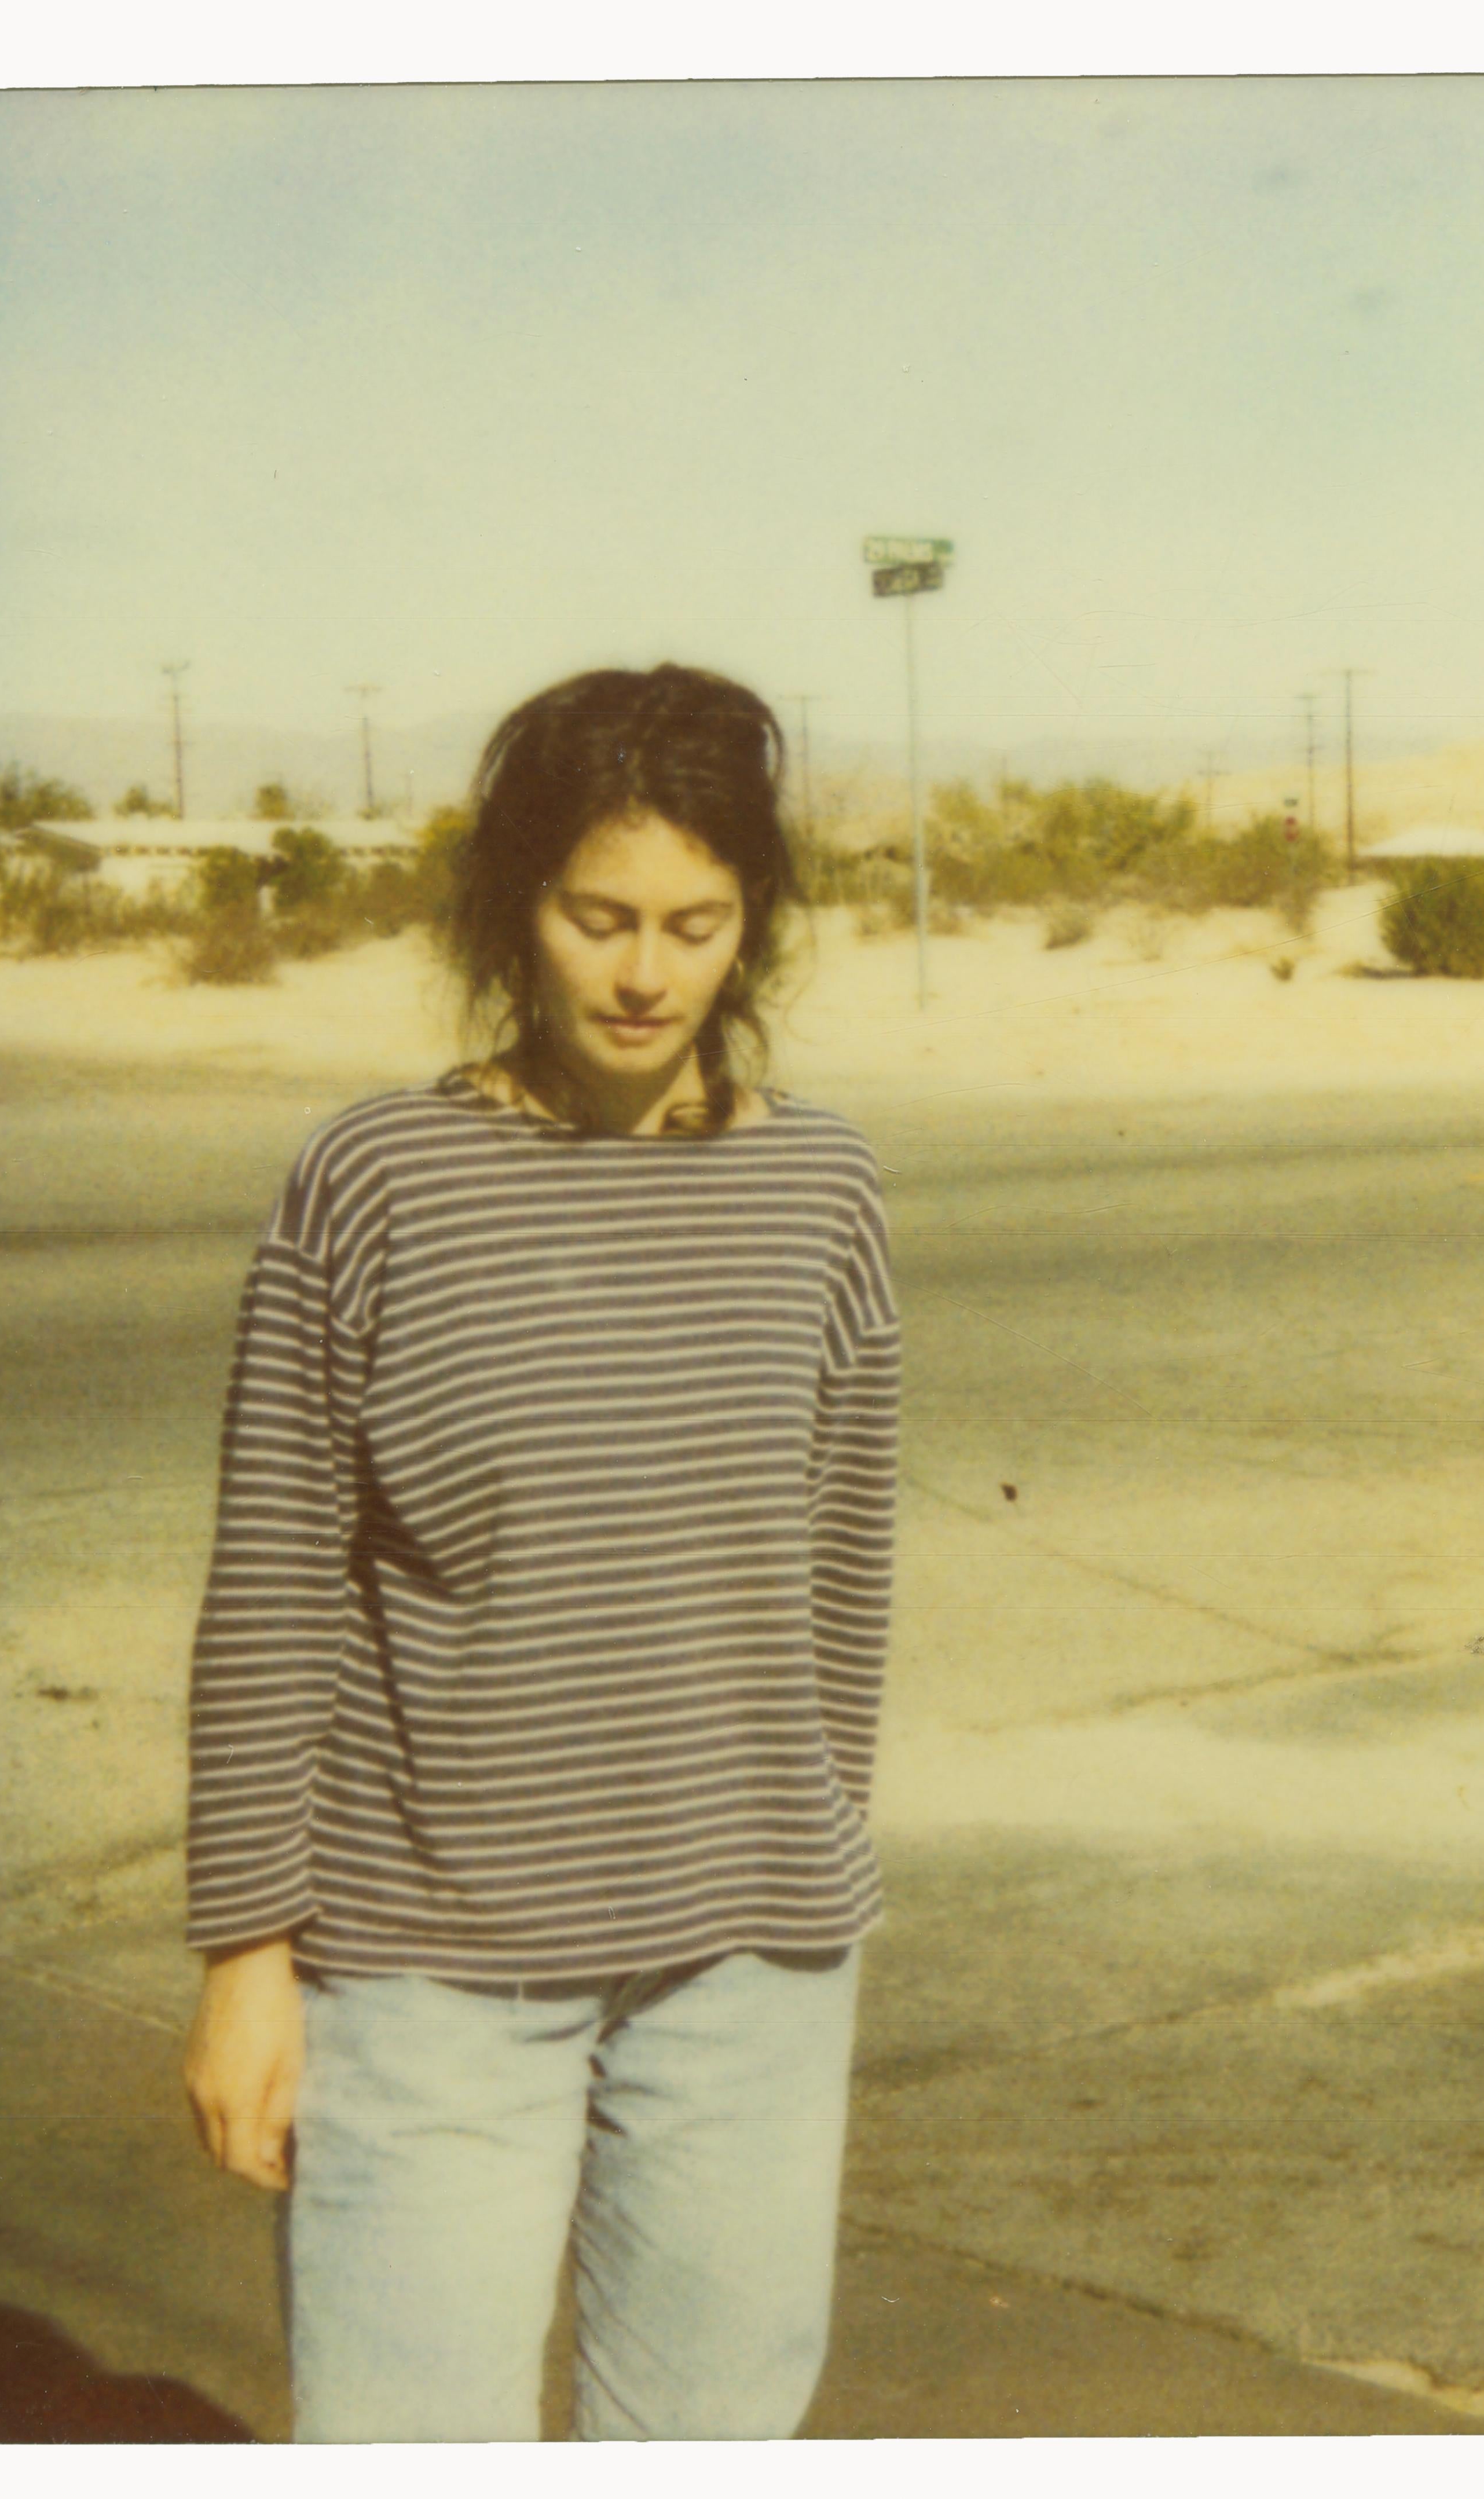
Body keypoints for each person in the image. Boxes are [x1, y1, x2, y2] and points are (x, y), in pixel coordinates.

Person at [178, 664, 902, 2441]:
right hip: (429, 1975)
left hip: (748, 1971)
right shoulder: (374, 1180)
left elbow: (840, 1590)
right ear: (518, 909)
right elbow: (273, 1579)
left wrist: (812, 1852)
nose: (646, 972)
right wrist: (244, 1952)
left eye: (695, 922)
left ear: (755, 926)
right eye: (598, 918)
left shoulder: (823, 1190)